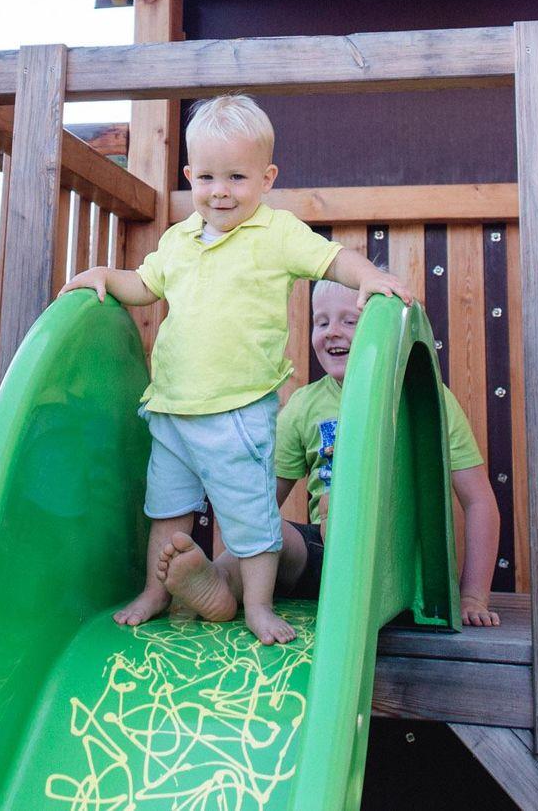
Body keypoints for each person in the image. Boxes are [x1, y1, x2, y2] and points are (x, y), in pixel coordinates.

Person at [61, 94, 414, 645]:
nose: (220, 191)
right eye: (206, 177)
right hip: (172, 408)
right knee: (166, 510)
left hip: (239, 411)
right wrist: (107, 275)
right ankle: (157, 591)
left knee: (249, 515)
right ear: (189, 177)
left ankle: (257, 606)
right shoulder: (178, 240)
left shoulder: (276, 233)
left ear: (266, 178)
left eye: (236, 177)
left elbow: (331, 259)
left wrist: (367, 275)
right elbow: (144, 285)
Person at [159, 279, 503, 628]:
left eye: (350, 321)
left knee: (336, 506)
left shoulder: (425, 401)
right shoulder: (305, 405)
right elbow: (262, 503)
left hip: (397, 564)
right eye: (321, 322)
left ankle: (335, 529)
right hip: (325, 557)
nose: (332, 332)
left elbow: (478, 501)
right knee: (266, 526)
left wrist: (473, 596)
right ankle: (221, 582)